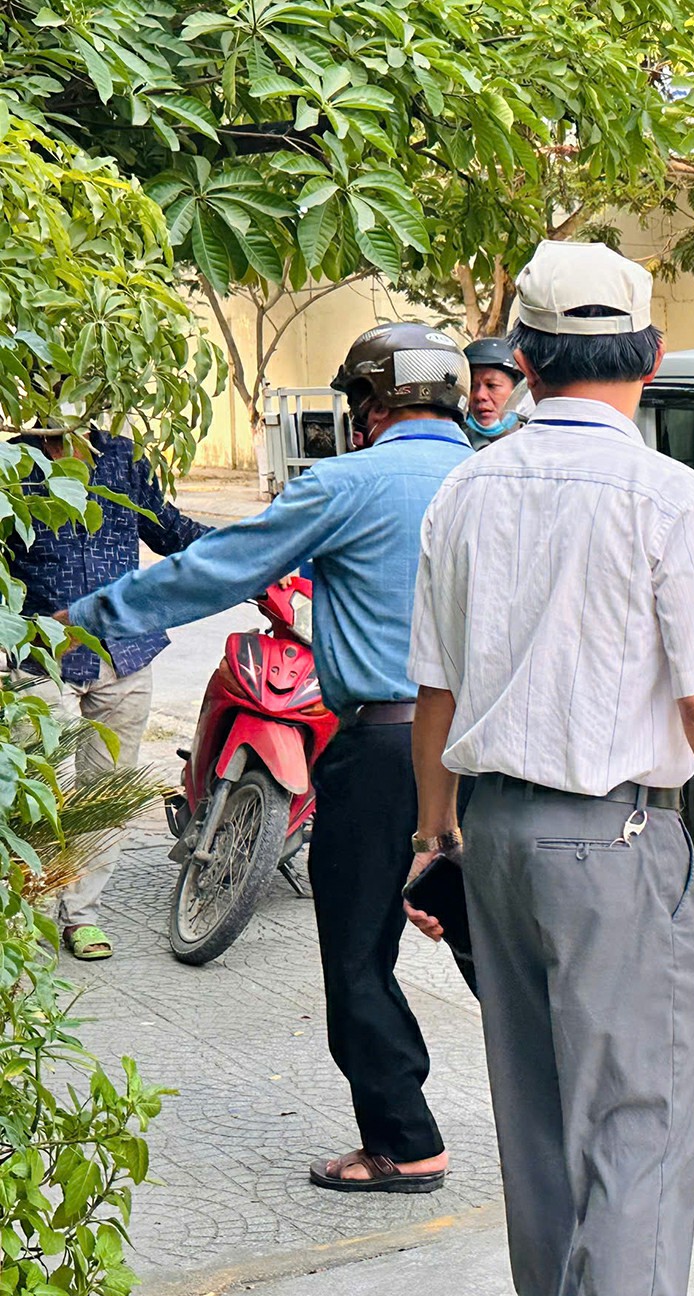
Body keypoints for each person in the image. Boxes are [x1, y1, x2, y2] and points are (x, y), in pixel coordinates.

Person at [406, 238, 694, 1296]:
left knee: (537, 1120)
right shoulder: (667, 496)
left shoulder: (466, 489)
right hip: (614, 841)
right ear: (653, 354)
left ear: (526, 360)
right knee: (638, 1122)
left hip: (494, 834)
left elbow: (435, 691)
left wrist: (434, 837)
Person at [66, 322, 475, 1191]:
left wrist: (86, 618)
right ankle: (569, 1115)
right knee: (498, 949)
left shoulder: (349, 482)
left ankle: (405, 1140)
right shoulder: (501, 475)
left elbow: (215, 568)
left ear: (367, 406)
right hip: (497, 753)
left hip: (387, 750)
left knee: (359, 954)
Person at [8, 425, 210, 960]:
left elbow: (170, 530)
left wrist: (260, 552)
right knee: (42, 792)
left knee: (105, 794)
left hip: (125, 653)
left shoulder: (122, 456)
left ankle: (81, 916)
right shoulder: (14, 465)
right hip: (39, 656)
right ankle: (30, 916)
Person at [462, 336, 527, 448]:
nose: (479, 395)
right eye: (471, 387)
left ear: (518, 391)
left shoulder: (539, 443)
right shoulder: (458, 446)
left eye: (491, 385)